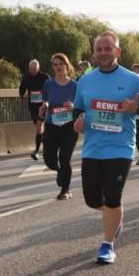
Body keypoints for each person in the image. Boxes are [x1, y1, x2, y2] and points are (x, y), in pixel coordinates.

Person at [72, 32, 139, 263]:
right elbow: (77, 110)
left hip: (121, 148)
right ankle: (115, 216)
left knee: (112, 196)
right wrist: (77, 122)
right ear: (94, 53)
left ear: (117, 51)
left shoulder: (132, 79)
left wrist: (135, 108)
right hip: (92, 148)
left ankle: (107, 244)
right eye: (99, 49)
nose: (103, 53)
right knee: (92, 199)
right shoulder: (85, 80)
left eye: (107, 48)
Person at [40, 53, 79, 199]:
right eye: (55, 64)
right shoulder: (48, 84)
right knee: (49, 159)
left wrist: (73, 106)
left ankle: (65, 190)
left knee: (64, 158)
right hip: (51, 125)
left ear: (67, 66)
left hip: (69, 127)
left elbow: (81, 106)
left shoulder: (75, 85)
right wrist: (44, 106)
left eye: (60, 64)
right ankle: (59, 171)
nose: (58, 67)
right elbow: (46, 100)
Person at [19, 60, 49, 160]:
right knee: (39, 128)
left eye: (35, 70)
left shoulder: (45, 77)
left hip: (44, 105)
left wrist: (47, 100)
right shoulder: (26, 78)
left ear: (38, 68)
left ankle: (36, 151)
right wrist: (23, 95)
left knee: (39, 126)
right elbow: (21, 90)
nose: (33, 72)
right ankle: (48, 145)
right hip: (32, 106)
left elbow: (51, 90)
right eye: (31, 70)